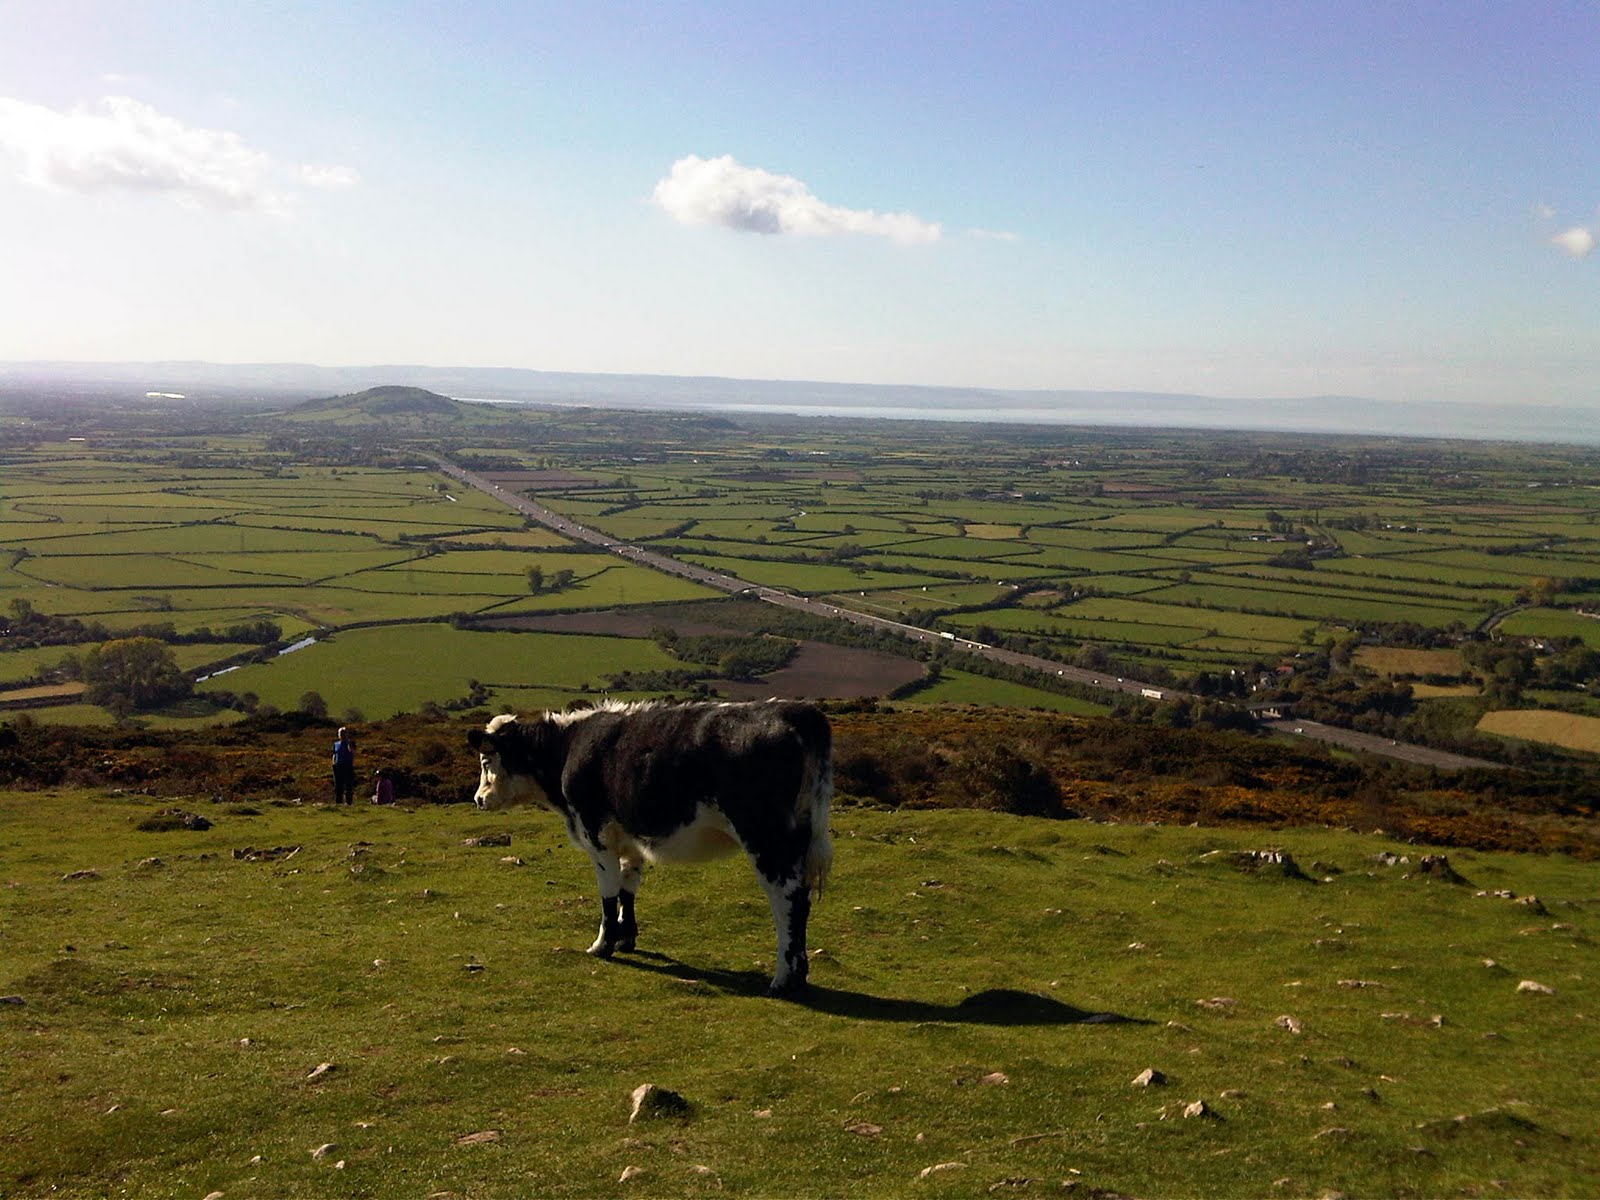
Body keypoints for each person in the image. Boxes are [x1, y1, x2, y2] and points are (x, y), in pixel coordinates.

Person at [331, 727, 356, 805]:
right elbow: (334, 754)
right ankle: (338, 802)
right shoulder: (336, 744)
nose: (342, 735)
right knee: (338, 785)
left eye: (344, 733)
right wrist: (333, 763)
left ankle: (348, 802)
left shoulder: (350, 743)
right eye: (340, 734)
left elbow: (352, 751)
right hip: (338, 766)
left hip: (347, 766)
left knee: (348, 785)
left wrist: (349, 744)